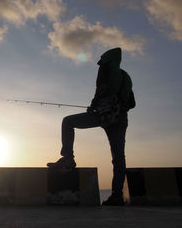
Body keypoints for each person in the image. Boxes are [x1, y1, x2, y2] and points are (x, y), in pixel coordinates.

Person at [47, 47, 135, 206]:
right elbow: (132, 103)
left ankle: (68, 159)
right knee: (118, 157)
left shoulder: (106, 70)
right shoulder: (126, 76)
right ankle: (116, 195)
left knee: (68, 121)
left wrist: (93, 106)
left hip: (102, 115)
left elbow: (101, 91)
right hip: (121, 119)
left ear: (107, 60)